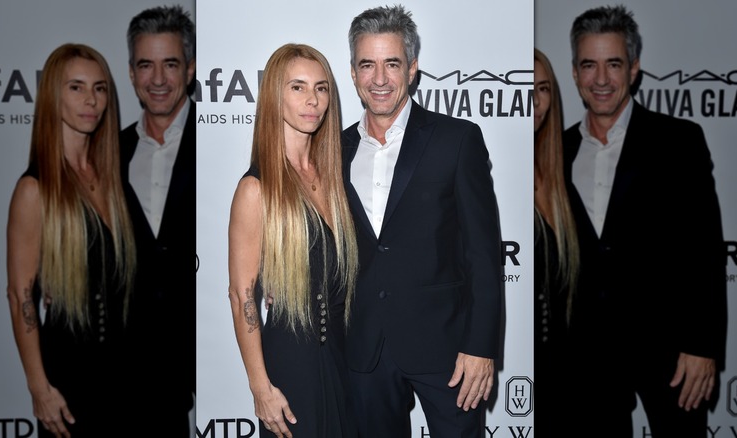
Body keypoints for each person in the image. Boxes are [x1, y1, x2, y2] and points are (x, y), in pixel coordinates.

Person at [562, 5, 727, 437]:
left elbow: (707, 252)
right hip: (587, 357)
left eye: (613, 64)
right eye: (589, 65)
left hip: (672, 354)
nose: (601, 79)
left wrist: (702, 347)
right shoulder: (554, 152)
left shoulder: (679, 142)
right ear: (575, 72)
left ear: (634, 69)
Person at [342, 5, 504, 437]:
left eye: (391, 63)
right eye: (367, 65)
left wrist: (481, 347)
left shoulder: (457, 140)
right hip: (363, 352)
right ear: (353, 72)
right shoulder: (332, 150)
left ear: (412, 69)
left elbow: (485, 256)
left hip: (449, 353)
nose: (379, 79)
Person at [228, 43, 359, 438]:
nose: (313, 100)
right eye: (298, 87)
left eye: (321, 88)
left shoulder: (335, 178)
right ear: (274, 96)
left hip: (344, 362)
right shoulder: (256, 189)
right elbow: (242, 295)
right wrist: (260, 388)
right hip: (291, 368)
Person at [6, 43, 137, 438]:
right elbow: (20, 295)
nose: (91, 100)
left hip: (126, 381)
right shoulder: (35, 189)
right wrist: (39, 388)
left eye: (99, 88)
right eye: (76, 88)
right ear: (53, 96)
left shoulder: (112, 179)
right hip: (70, 385)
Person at [119, 5, 196, 435]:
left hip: (211, 341)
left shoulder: (219, 140)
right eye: (146, 65)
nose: (159, 79)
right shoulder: (109, 151)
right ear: (131, 72)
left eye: (170, 64)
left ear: (189, 69)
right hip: (135, 360)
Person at [532, 47, 580, 434]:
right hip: (522, 359)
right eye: (526, 88)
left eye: (543, 88)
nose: (535, 100)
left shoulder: (563, 168)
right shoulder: (491, 169)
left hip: (568, 364)